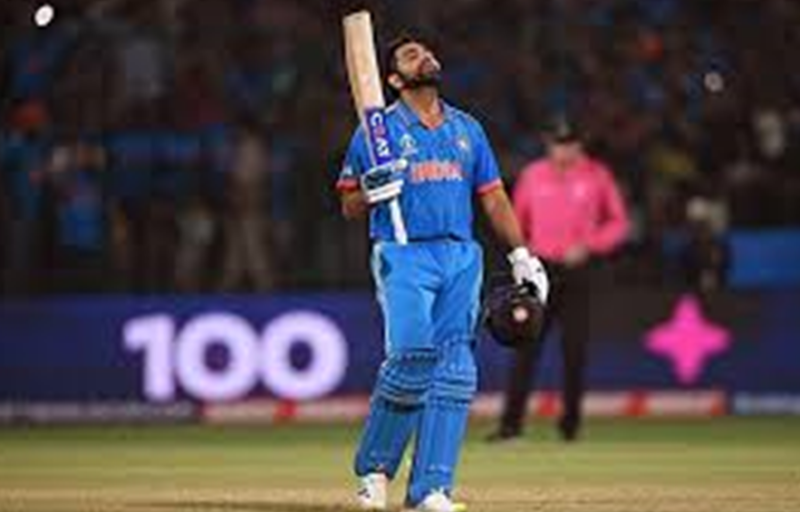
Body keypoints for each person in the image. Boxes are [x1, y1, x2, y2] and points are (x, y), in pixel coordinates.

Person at [336, 35, 549, 512]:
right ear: (394, 79)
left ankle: (431, 489)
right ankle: (374, 472)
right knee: (412, 358)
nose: (426, 56)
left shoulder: (466, 128)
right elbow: (348, 203)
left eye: (427, 51)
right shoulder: (377, 132)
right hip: (403, 252)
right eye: (412, 56)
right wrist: (369, 192)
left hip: (460, 256)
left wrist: (520, 254)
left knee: (455, 370)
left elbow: (493, 196)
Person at [488, 118, 629, 443]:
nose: (563, 150)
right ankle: (511, 426)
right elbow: (514, 221)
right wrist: (523, 255)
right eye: (558, 144)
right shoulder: (533, 175)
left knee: (575, 350)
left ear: (579, 145)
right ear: (548, 145)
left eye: (569, 144)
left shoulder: (597, 176)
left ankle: (570, 427)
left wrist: (590, 245)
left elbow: (618, 223)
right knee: (525, 346)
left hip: (578, 271)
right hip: (540, 271)